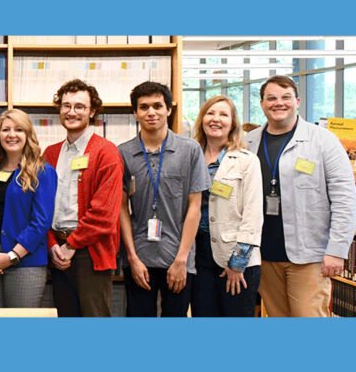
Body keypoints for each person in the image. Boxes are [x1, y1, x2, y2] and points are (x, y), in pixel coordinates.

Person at [245, 75, 356, 317]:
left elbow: (345, 198)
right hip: (264, 253)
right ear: (262, 103)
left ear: (297, 101)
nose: (278, 103)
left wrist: (337, 250)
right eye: (271, 98)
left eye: (286, 97)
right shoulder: (249, 142)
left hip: (309, 256)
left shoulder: (323, 141)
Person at [119, 81, 210, 317]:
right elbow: (120, 209)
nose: (151, 112)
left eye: (158, 106)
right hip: (139, 258)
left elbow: (194, 207)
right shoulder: (123, 153)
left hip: (178, 258)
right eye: (144, 107)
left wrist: (181, 259)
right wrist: (132, 258)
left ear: (169, 109)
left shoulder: (190, 150)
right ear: (135, 112)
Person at [43, 79, 124, 317]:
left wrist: (71, 245)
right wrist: (53, 246)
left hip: (91, 253)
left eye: (79, 106)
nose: (71, 112)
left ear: (92, 111)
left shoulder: (106, 152)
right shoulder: (50, 153)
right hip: (58, 251)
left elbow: (105, 214)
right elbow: (42, 207)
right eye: (66, 105)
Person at [0, 109, 57, 308]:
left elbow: (40, 222)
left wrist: (12, 256)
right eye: (5, 129)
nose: (11, 135)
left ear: (28, 135)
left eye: (19, 129)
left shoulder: (42, 172)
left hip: (25, 262)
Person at [191, 95, 263, 317]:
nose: (216, 119)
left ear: (233, 123)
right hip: (199, 255)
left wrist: (237, 263)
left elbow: (253, 215)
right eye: (210, 113)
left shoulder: (246, 160)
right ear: (202, 119)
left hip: (235, 257)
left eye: (223, 115)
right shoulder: (191, 156)